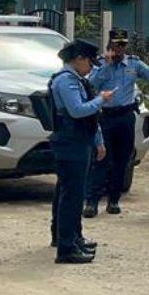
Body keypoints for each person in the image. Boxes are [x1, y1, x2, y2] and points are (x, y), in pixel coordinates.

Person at [84, 29, 149, 218]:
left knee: (121, 160)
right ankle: (91, 202)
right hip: (106, 117)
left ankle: (114, 201)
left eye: (123, 44)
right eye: (117, 44)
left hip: (125, 116)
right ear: (110, 44)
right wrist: (107, 65)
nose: (120, 48)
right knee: (101, 159)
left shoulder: (133, 63)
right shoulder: (100, 64)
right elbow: (91, 85)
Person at [49, 39, 110, 264]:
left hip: (78, 141)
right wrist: (100, 100)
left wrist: (98, 140)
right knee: (71, 196)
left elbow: (89, 118)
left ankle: (73, 239)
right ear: (78, 59)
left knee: (71, 193)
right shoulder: (66, 81)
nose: (91, 68)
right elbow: (77, 110)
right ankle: (66, 247)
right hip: (70, 143)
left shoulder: (75, 79)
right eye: (89, 63)